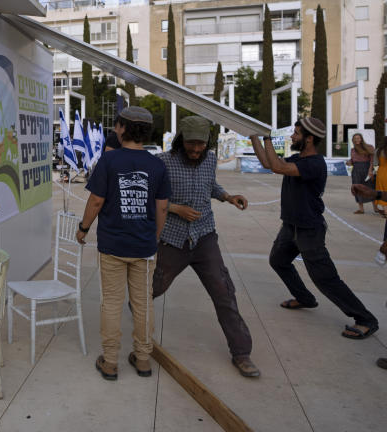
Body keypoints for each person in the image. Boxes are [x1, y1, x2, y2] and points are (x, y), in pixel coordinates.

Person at [250, 119, 379, 340]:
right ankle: (305, 299)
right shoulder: (299, 158)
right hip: (291, 226)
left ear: (309, 139)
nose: (292, 137)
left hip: (308, 229)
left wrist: (267, 137)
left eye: (296, 134)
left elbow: (278, 167)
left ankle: (366, 319)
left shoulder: (314, 163)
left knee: (325, 278)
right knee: (278, 261)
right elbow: (267, 163)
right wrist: (253, 135)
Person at [154, 116, 259, 378]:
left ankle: (241, 352)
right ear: (181, 140)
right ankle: (138, 305)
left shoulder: (210, 160)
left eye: (201, 145)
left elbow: (210, 185)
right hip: (173, 238)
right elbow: (150, 196)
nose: (196, 150)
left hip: (204, 237)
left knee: (224, 291)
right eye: (191, 144)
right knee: (155, 287)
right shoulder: (163, 162)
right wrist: (176, 209)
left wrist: (227, 197)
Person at [75, 106, 170, 380]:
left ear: (123, 128)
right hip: (144, 248)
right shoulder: (157, 165)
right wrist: (154, 237)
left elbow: (96, 200)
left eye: (117, 125)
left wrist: (83, 228)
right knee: (143, 304)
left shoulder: (109, 162)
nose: (115, 129)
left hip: (113, 246)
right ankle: (143, 360)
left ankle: (111, 361)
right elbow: (161, 207)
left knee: (112, 303)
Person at [347, 133, 374, 214]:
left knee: (370, 188)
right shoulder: (353, 150)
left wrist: (370, 171)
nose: (356, 140)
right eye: (355, 138)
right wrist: (349, 162)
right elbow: (353, 160)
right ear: (353, 140)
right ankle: (361, 209)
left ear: (361, 139)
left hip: (366, 168)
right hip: (356, 170)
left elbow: (372, 160)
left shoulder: (369, 147)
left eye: (358, 138)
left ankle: (375, 208)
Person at [373, 137, 387, 216]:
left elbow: (375, 164)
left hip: (381, 173)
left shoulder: (378, 151)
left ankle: (385, 211)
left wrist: (375, 172)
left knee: (382, 191)